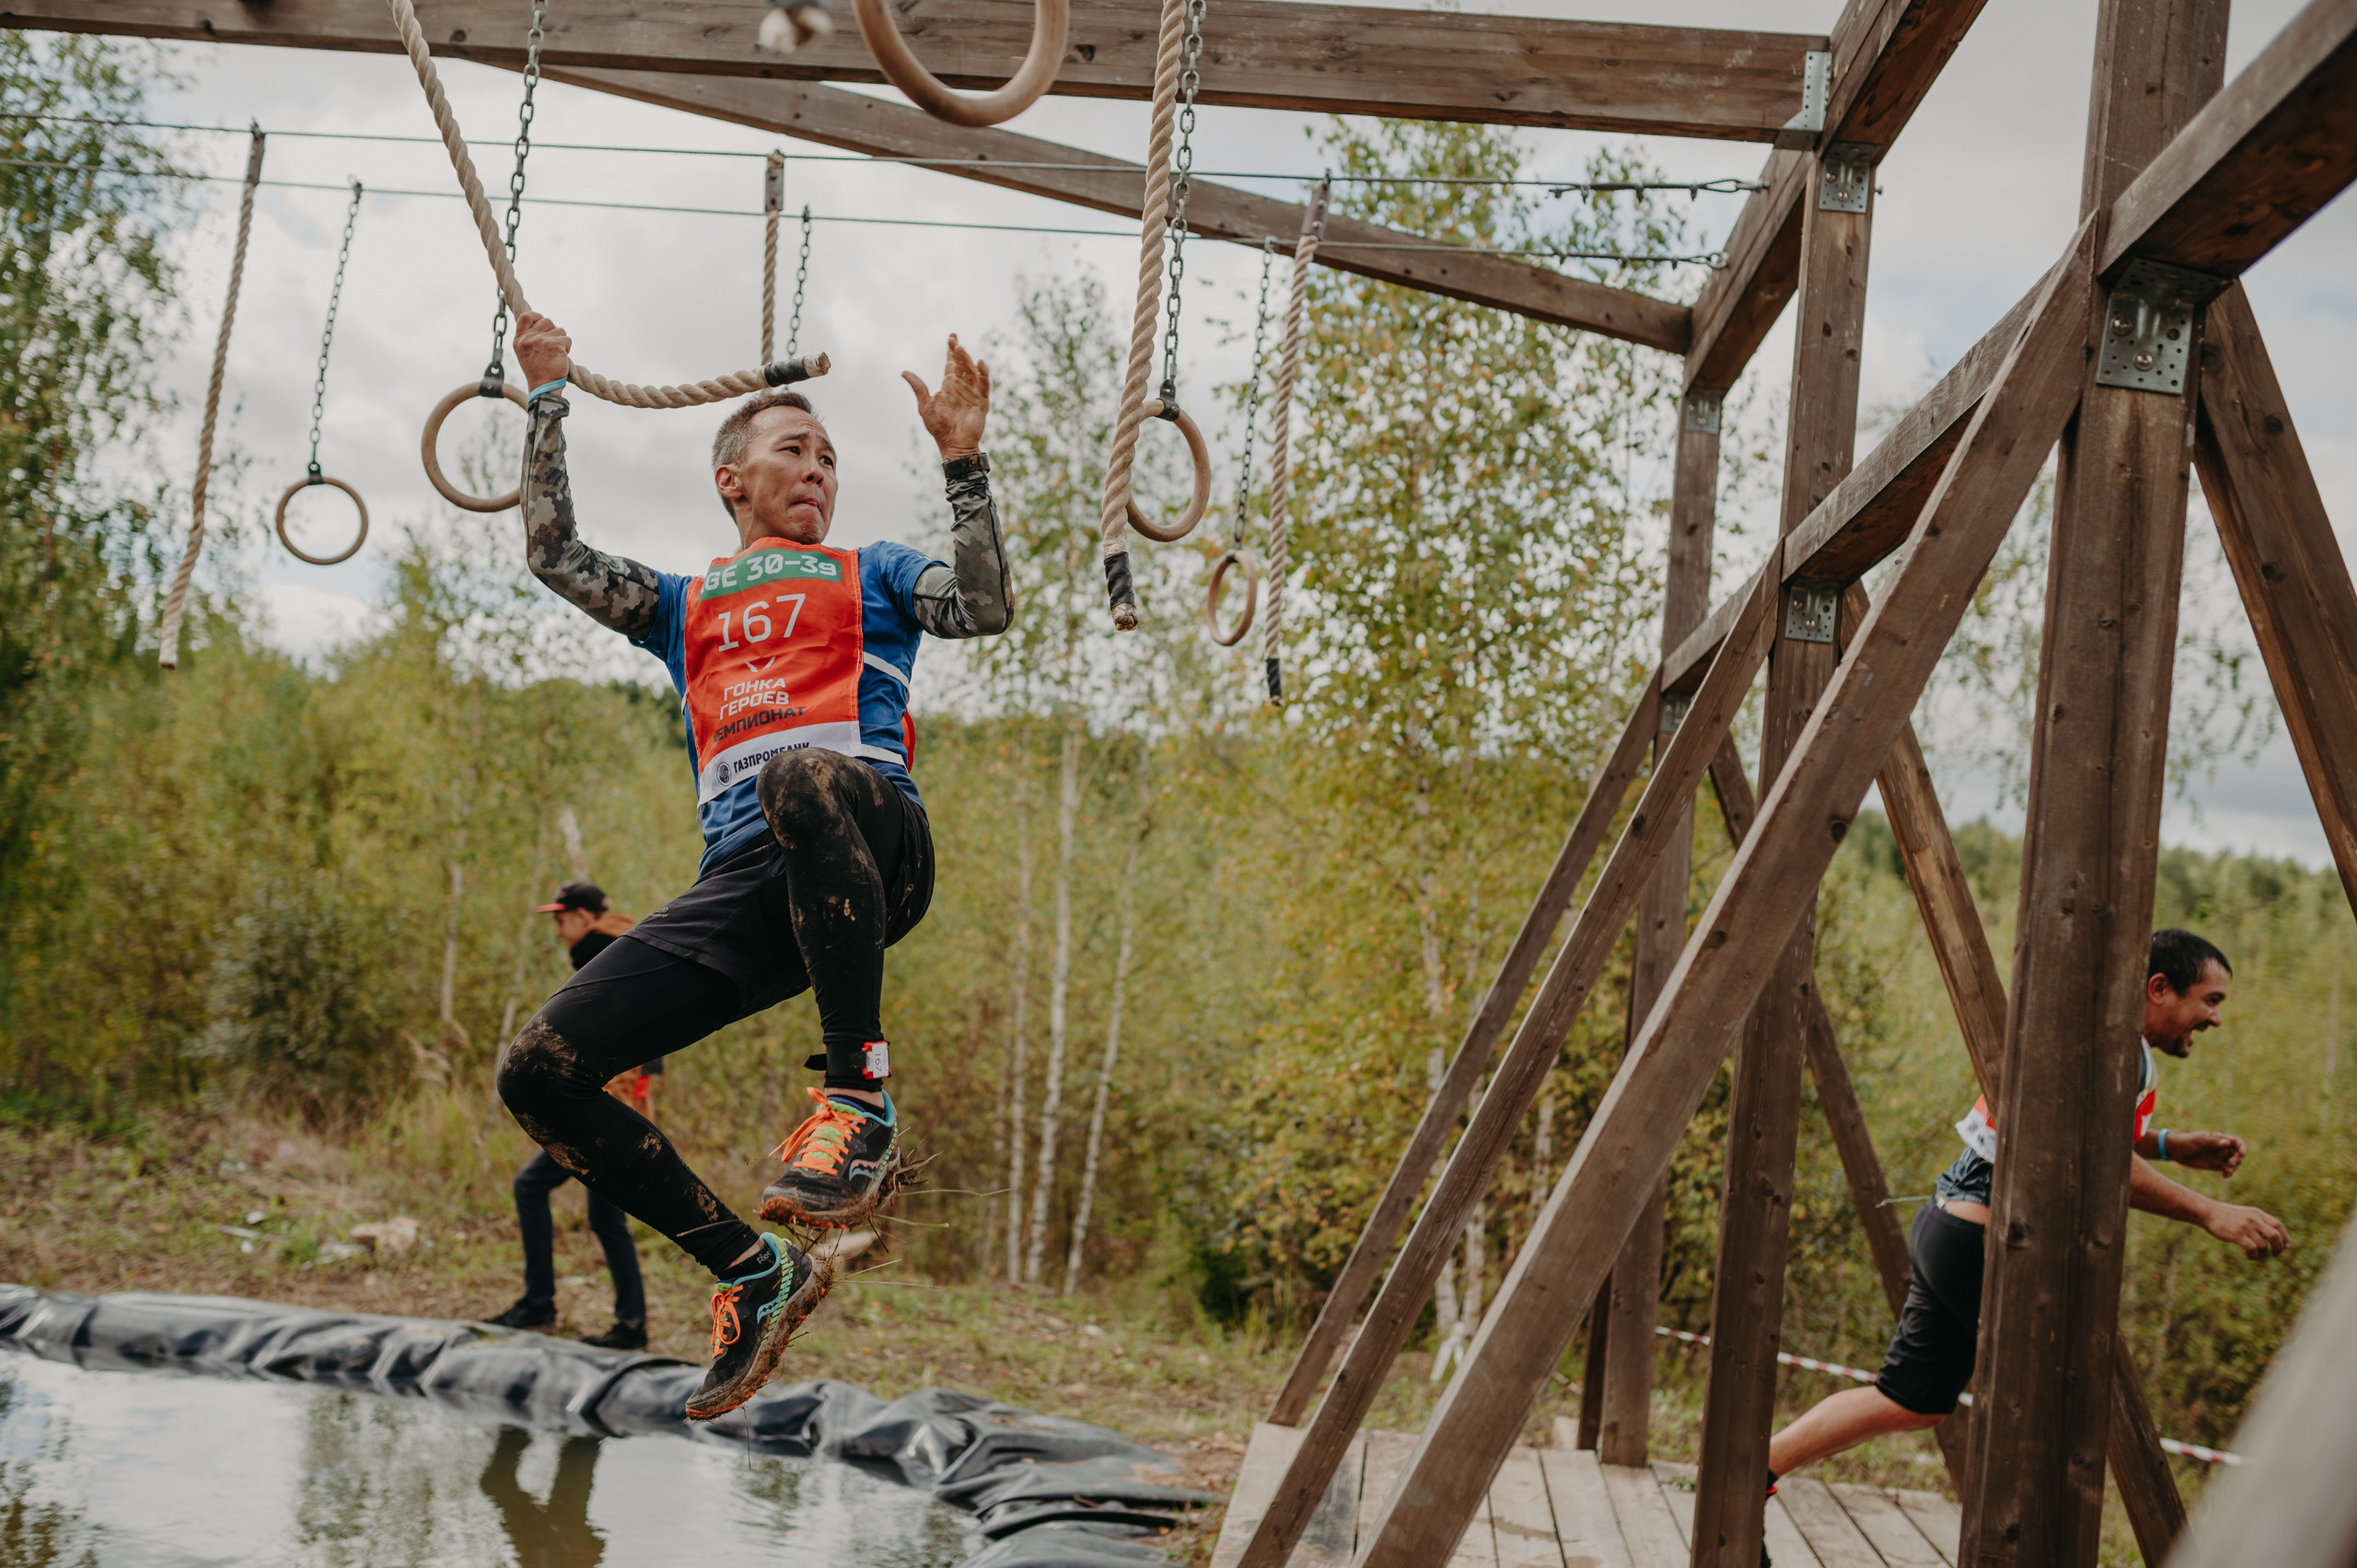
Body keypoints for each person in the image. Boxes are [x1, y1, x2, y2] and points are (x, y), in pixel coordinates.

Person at [493, 310, 1011, 1422]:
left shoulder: (872, 571)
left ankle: (857, 1100)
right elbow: (554, 556)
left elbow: (982, 604)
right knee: (535, 1072)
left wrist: (963, 464)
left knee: (800, 779)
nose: (817, 467)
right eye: (794, 449)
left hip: (875, 841)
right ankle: (751, 1269)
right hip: (750, 885)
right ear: (731, 478)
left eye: (829, 456)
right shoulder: (680, 604)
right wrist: (546, 397)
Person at [1763, 927, 2290, 1491]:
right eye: (2211, 1000)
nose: (2215, 1019)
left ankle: (1756, 1471)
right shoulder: (2117, 1047)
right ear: (2159, 987)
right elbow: (2096, 1163)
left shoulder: (2106, 1040)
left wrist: (2169, 1145)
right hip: (1985, 1244)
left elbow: (2078, 1130)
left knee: (1912, 1401)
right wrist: (2213, 1212)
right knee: (2053, 1407)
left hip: (1951, 1226)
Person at [484, 882, 662, 1350]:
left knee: (532, 1187)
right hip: (613, 1105)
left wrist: (607, 1102)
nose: (558, 930)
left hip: (601, 1109)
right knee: (605, 1219)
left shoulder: (600, 952)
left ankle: (542, 1306)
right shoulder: (626, 949)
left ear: (583, 916)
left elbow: (619, 1043)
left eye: (561, 919)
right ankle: (629, 1325)